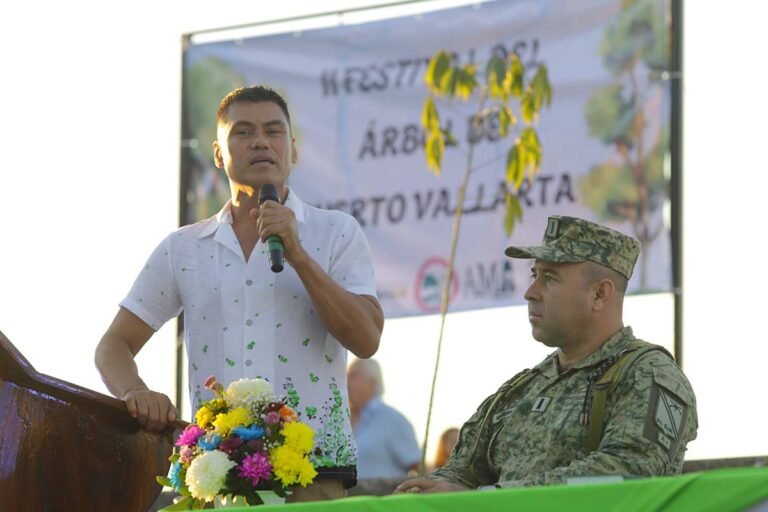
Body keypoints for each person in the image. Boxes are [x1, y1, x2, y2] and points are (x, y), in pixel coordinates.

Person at [95, 85, 384, 502]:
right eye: (243, 132)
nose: (261, 142)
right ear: (218, 153)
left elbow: (366, 338)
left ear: (293, 149)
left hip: (313, 474)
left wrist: (297, 253)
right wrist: (134, 391)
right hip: (219, 477)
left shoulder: (335, 232)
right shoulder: (184, 248)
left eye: (274, 131)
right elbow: (113, 345)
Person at [395, 215, 697, 493]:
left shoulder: (648, 374)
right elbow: (458, 476)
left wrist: (487, 499)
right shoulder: (520, 391)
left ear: (599, 294)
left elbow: (628, 473)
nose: (531, 292)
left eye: (550, 278)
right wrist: (421, 494)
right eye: (534, 274)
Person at [347, 358, 421, 480]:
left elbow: (418, 466)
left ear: (373, 382)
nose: (346, 382)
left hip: (384, 492)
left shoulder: (394, 420)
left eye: (353, 376)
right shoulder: (341, 420)